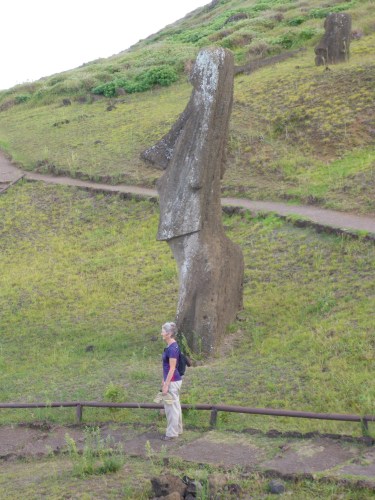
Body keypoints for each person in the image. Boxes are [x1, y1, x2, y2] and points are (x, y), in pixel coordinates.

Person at [160, 321, 183, 440]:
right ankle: (178, 429)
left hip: (172, 381)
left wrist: (166, 384)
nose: (161, 333)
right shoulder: (171, 346)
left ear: (169, 333)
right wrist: (163, 380)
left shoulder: (172, 348)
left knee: (171, 408)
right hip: (172, 380)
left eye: (163, 331)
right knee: (175, 406)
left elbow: (172, 368)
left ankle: (172, 433)